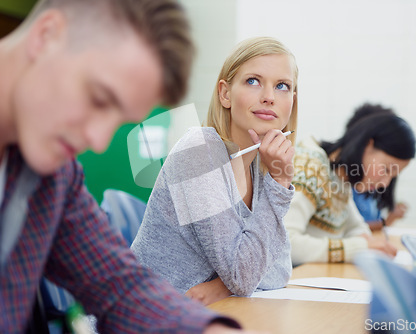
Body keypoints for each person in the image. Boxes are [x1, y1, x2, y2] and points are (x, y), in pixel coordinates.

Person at [0, 0, 247, 332]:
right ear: (46, 35)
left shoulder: (53, 175)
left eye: (119, 121)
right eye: (99, 99)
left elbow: (120, 286)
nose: (98, 140)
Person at [131, 36, 298, 306]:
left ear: (292, 101)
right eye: (253, 81)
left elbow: (280, 270)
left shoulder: (258, 169)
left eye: (282, 86)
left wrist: (222, 287)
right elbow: (244, 276)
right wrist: (280, 183)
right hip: (137, 321)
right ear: (225, 93)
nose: (268, 97)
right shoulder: (199, 151)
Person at [284, 103, 416, 266]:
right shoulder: (310, 166)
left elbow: (357, 230)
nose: (385, 184)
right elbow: (285, 243)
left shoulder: (339, 178)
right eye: (386, 169)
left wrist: (366, 244)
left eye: (393, 176)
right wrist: (359, 247)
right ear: (368, 145)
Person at [347, 104, 410, 231]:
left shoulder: (373, 182)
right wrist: (387, 221)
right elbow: (351, 230)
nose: (385, 183)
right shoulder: (347, 183)